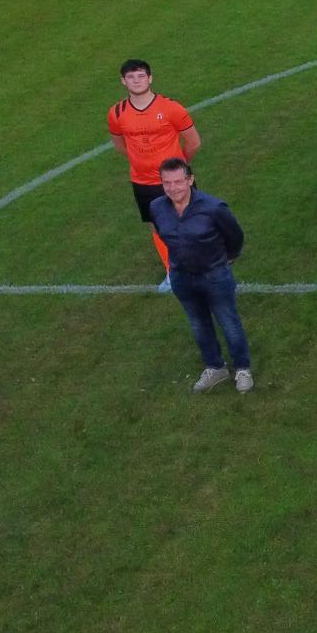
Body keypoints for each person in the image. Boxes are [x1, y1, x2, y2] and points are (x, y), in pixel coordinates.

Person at [148, 158, 251, 393]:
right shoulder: (157, 207)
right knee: (198, 325)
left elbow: (235, 237)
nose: (173, 188)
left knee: (229, 323)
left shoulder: (214, 208)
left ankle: (242, 368)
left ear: (190, 180)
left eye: (178, 182)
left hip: (214, 275)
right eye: (167, 183)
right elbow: (164, 235)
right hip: (181, 277)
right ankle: (215, 367)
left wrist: (226, 259)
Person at [107, 59, 201, 290]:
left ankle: (202, 263)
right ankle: (173, 271)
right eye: (131, 77)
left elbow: (193, 142)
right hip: (143, 181)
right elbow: (120, 145)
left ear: (150, 78)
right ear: (123, 81)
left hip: (175, 180)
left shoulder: (172, 108)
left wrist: (178, 168)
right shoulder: (117, 113)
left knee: (191, 220)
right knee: (156, 226)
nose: (136, 81)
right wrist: (142, 162)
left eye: (141, 76)